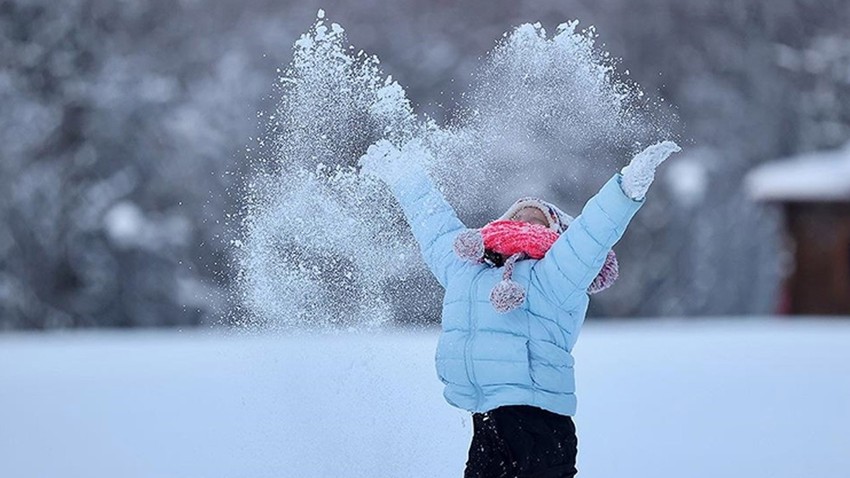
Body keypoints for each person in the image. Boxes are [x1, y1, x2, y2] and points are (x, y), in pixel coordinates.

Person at [358, 139, 680, 477]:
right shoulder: (467, 270)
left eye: (539, 220)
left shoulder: (556, 275)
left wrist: (626, 188)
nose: (526, 219)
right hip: (486, 422)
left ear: (557, 236)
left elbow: (592, 235)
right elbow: (435, 228)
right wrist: (405, 177)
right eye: (518, 215)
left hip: (541, 424)